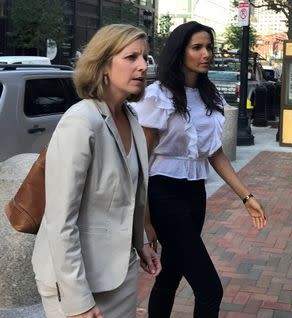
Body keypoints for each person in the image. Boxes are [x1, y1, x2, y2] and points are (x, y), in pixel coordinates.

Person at [133, 21, 267, 318]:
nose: (206, 53)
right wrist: (145, 219)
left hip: (195, 194)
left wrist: (247, 197)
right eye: (197, 47)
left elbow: (214, 153)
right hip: (163, 194)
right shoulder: (158, 96)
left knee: (170, 276)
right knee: (210, 289)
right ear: (180, 52)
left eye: (209, 47)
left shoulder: (211, 96)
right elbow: (141, 161)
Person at [31, 24, 161, 318]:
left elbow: (127, 198)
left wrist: (141, 243)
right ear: (103, 64)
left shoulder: (130, 117)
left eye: (145, 56)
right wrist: (78, 300)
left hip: (120, 273)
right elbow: (59, 220)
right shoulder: (81, 121)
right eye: (131, 57)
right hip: (77, 280)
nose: (143, 65)